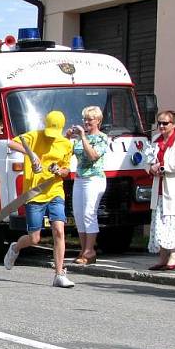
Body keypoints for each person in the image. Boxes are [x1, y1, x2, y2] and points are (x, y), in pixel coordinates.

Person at [4, 111, 75, 288]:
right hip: (35, 192)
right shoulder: (35, 136)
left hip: (55, 190)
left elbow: (67, 170)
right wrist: (31, 154)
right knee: (34, 238)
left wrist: (60, 171)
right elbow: (10, 142)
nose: (50, 136)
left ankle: (59, 274)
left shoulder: (66, 144)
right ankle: (15, 248)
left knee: (59, 230)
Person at [146, 110, 175, 271]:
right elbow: (147, 161)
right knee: (159, 222)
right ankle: (162, 257)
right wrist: (151, 169)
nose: (161, 126)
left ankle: (174, 256)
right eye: (159, 123)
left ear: (174, 124)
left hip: (173, 188)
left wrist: (163, 167)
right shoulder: (155, 141)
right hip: (159, 188)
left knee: (172, 222)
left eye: (165, 123)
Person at [66, 106, 109, 265]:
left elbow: (93, 156)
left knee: (89, 213)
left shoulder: (102, 138)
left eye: (90, 119)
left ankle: (90, 250)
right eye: (85, 119)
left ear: (98, 120)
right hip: (79, 178)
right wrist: (68, 138)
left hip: (94, 179)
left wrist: (83, 137)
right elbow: (67, 154)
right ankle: (83, 250)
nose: (86, 122)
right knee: (78, 214)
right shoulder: (78, 138)